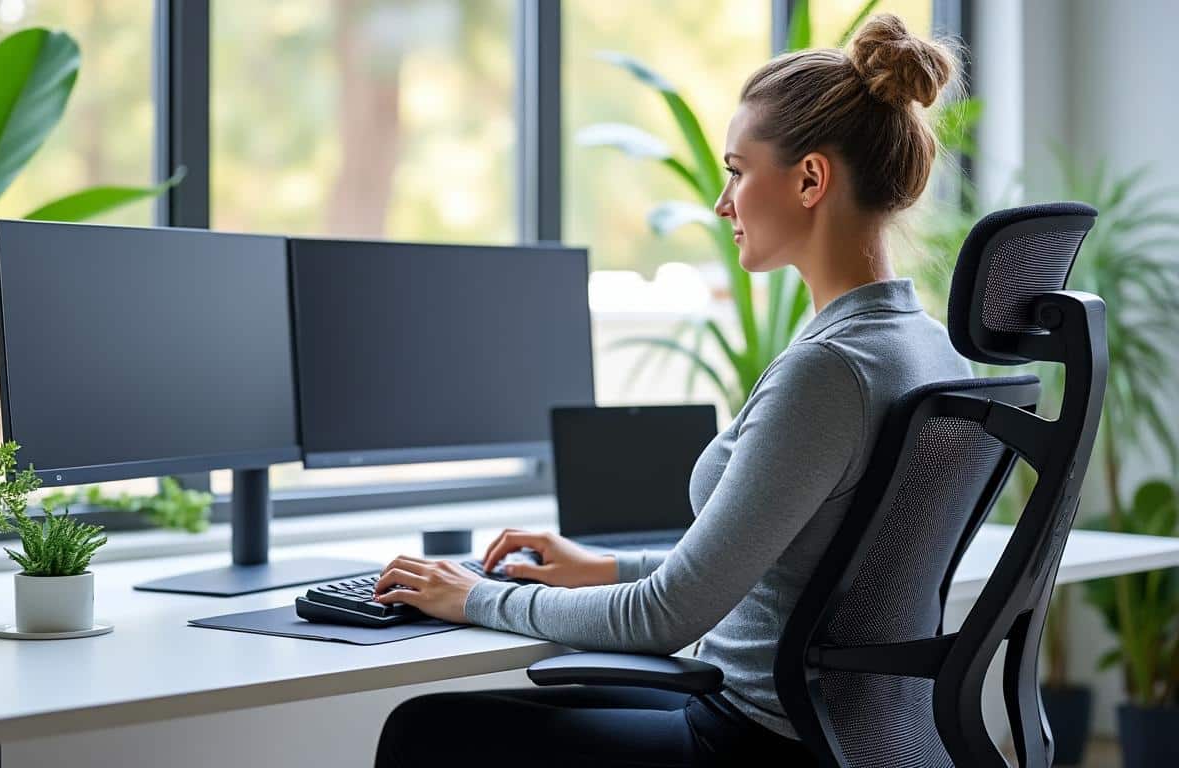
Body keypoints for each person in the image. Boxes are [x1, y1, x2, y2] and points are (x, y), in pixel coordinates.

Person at [372, 14, 969, 767]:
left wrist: (472, 596)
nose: (724, 203)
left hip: (753, 738)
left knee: (425, 732)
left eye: (738, 170)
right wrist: (601, 565)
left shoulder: (829, 371)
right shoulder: (933, 353)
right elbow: (789, 565)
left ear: (811, 179)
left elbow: (666, 617)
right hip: (854, 735)